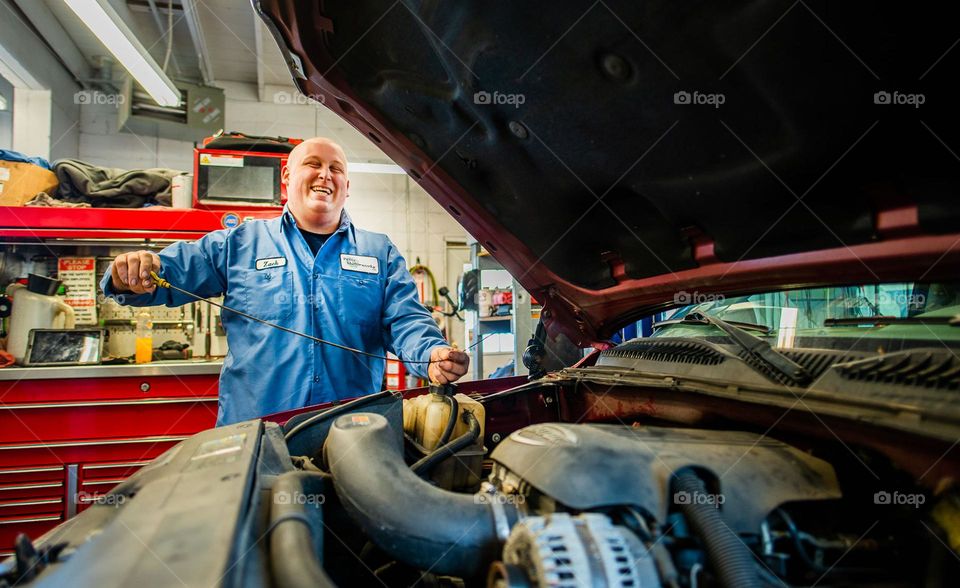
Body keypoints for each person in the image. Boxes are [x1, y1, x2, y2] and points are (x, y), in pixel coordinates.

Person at [100, 137, 469, 425]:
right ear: (287, 178)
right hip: (258, 431)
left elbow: (405, 319)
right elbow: (168, 273)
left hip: (354, 432)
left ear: (347, 186)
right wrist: (130, 273)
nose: (325, 175)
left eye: (336, 168)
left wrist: (431, 354)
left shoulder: (379, 252)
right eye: (313, 164)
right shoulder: (240, 243)